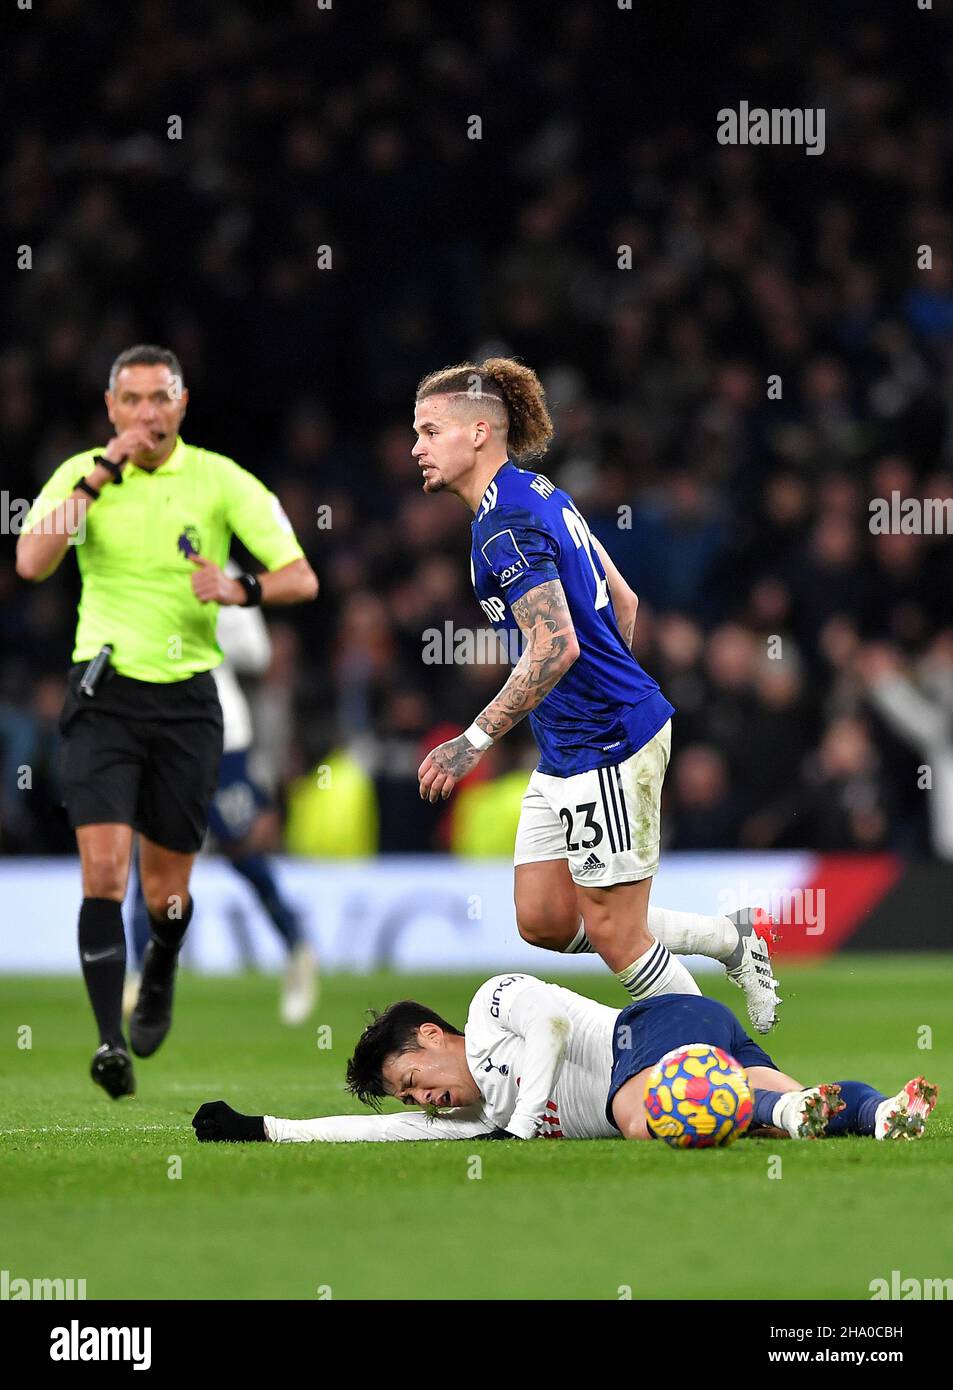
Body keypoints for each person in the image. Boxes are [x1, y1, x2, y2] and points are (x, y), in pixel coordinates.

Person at [411, 358, 780, 1029]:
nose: (415, 447)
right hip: (570, 747)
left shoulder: (503, 526)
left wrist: (472, 742)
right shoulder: (534, 492)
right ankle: (731, 940)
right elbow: (624, 599)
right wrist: (595, 693)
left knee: (616, 934)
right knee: (546, 920)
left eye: (430, 430)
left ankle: (726, 1070)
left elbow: (555, 646)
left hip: (605, 741)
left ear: (477, 434)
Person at [16, 344, 318, 1099]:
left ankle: (160, 975)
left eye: (159, 399)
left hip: (187, 703)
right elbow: (31, 562)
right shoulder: (85, 473)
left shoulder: (220, 480)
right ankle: (109, 1043)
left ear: (181, 406)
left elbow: (300, 576)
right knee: (103, 874)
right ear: (111, 409)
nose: (146, 413)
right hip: (103, 695)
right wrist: (99, 471)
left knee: (166, 898)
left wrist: (239, 587)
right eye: (132, 401)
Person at [190, 972, 938, 1144]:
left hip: (651, 1029)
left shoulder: (489, 1009)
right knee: (781, 1115)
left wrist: (518, 1128)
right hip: (701, 1049)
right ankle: (881, 1114)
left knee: (642, 1118)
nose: (422, 1102)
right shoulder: (464, 1119)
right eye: (410, 1100)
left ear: (428, 1037)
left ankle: (781, 1105)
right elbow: (370, 1134)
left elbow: (549, 1022)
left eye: (414, 1084)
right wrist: (264, 1129)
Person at [125, 562, 318, 1026]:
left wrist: (216, 610)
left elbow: (257, 654)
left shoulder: (217, 569)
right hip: (158, 739)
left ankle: (297, 947)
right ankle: (140, 979)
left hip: (220, 738)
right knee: (146, 861)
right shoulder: (131, 565)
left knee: (242, 853)